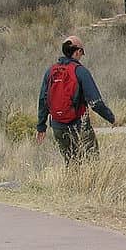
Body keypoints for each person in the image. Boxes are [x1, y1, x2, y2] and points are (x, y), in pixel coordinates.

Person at [36, 35, 115, 163]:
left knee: (71, 163)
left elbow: (43, 101)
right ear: (77, 51)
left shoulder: (50, 71)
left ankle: (72, 183)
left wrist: (41, 127)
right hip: (79, 125)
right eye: (82, 52)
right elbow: (95, 103)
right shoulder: (81, 71)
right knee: (92, 162)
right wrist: (111, 118)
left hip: (57, 126)